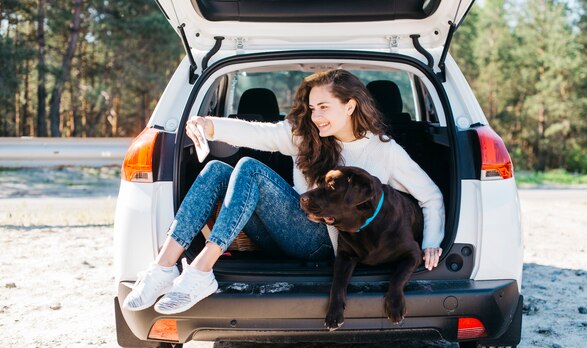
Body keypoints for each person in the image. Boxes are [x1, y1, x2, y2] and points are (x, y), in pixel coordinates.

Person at [122, 69, 445, 315]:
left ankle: (201, 271)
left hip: (325, 242)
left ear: (350, 106)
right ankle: (163, 269)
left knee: (248, 168)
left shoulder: (385, 152)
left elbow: (430, 196)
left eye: (323, 107)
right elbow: (256, 132)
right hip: (288, 230)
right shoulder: (306, 135)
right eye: (311, 108)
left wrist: (431, 242)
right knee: (217, 170)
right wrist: (210, 125)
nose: (316, 116)